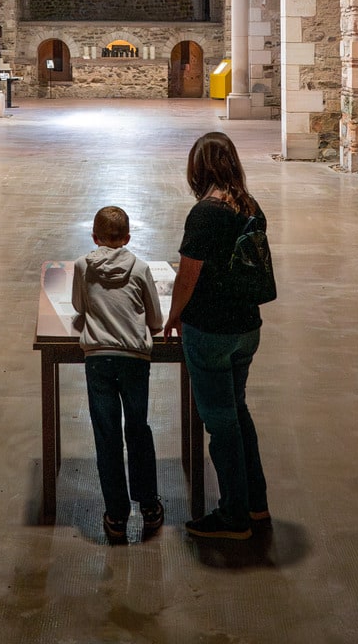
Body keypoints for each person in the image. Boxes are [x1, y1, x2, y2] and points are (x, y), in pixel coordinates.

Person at [165, 131, 272, 540]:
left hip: (212, 329)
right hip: (247, 326)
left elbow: (188, 276)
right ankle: (255, 503)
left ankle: (233, 516)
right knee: (238, 412)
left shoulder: (206, 213)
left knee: (221, 423)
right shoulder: (249, 205)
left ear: (198, 168)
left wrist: (173, 316)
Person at [71, 204, 165, 544]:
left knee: (106, 434)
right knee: (137, 429)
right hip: (134, 358)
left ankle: (116, 513)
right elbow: (155, 319)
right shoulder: (139, 268)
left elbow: (79, 306)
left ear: (94, 237)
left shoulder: (83, 266)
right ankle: (150, 505)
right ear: (127, 238)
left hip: (98, 357)